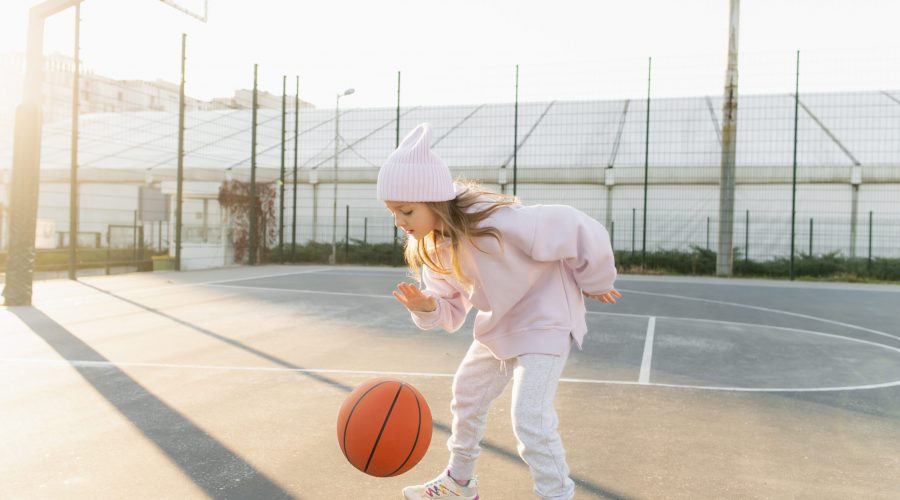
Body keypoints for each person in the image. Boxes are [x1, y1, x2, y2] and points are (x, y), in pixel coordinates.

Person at [378, 123, 621, 500]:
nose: (399, 222)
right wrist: (428, 307)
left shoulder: (498, 222)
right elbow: (451, 313)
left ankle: (555, 494)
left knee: (530, 418)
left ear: (433, 199)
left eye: (406, 210)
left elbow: (577, 227)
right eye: (393, 212)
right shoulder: (434, 249)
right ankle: (458, 484)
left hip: (545, 317)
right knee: (466, 392)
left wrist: (597, 279)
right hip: (501, 324)